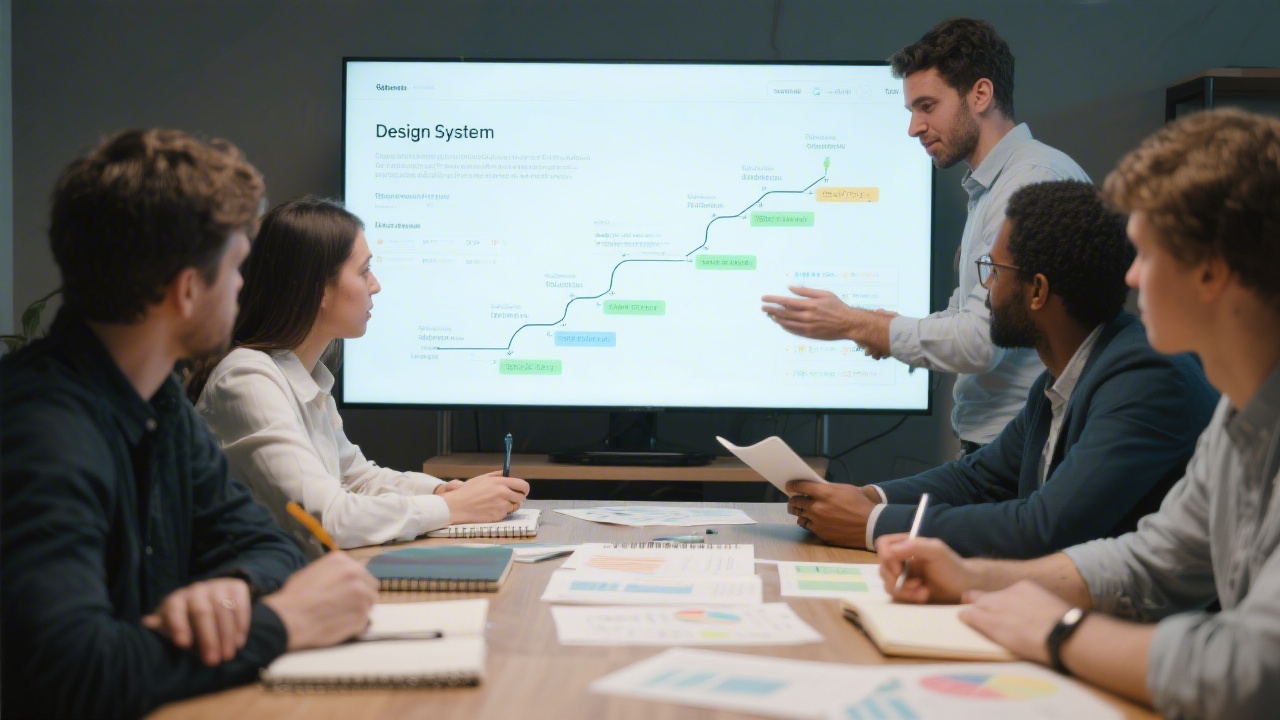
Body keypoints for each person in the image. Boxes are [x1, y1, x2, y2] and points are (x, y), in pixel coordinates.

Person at [876, 109, 1280, 718]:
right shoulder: (1238, 414)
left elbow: (1251, 672)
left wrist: (1058, 630)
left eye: (1146, 253)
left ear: (1210, 272)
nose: (1132, 276)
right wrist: (976, 578)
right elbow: (1153, 560)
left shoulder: (1154, 374)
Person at [0, 130, 379, 719]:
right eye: (235, 268)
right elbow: (71, 673)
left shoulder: (157, 405)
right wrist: (281, 623)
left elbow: (267, 544)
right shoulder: (43, 433)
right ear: (186, 290)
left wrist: (233, 589)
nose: (243, 288)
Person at [785, 180, 1216, 558]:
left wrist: (871, 523)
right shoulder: (1063, 377)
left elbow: (1042, 529)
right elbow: (977, 479)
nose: (986, 285)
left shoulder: (1146, 379)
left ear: (1037, 291)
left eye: (994, 270)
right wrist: (867, 496)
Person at [762, 18, 1089, 453]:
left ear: (981, 94)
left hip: (1026, 447)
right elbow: (965, 316)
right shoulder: (995, 185)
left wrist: (856, 323)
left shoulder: (1027, 184)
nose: (914, 127)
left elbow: (979, 343)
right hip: (1007, 442)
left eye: (927, 106)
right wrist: (874, 326)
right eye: (912, 110)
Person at [189, 196, 531, 557]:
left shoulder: (300, 374)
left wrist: (439, 492)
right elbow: (329, 521)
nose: (376, 285)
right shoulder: (247, 379)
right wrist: (454, 509)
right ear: (318, 287)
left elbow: (356, 479)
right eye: (364, 270)